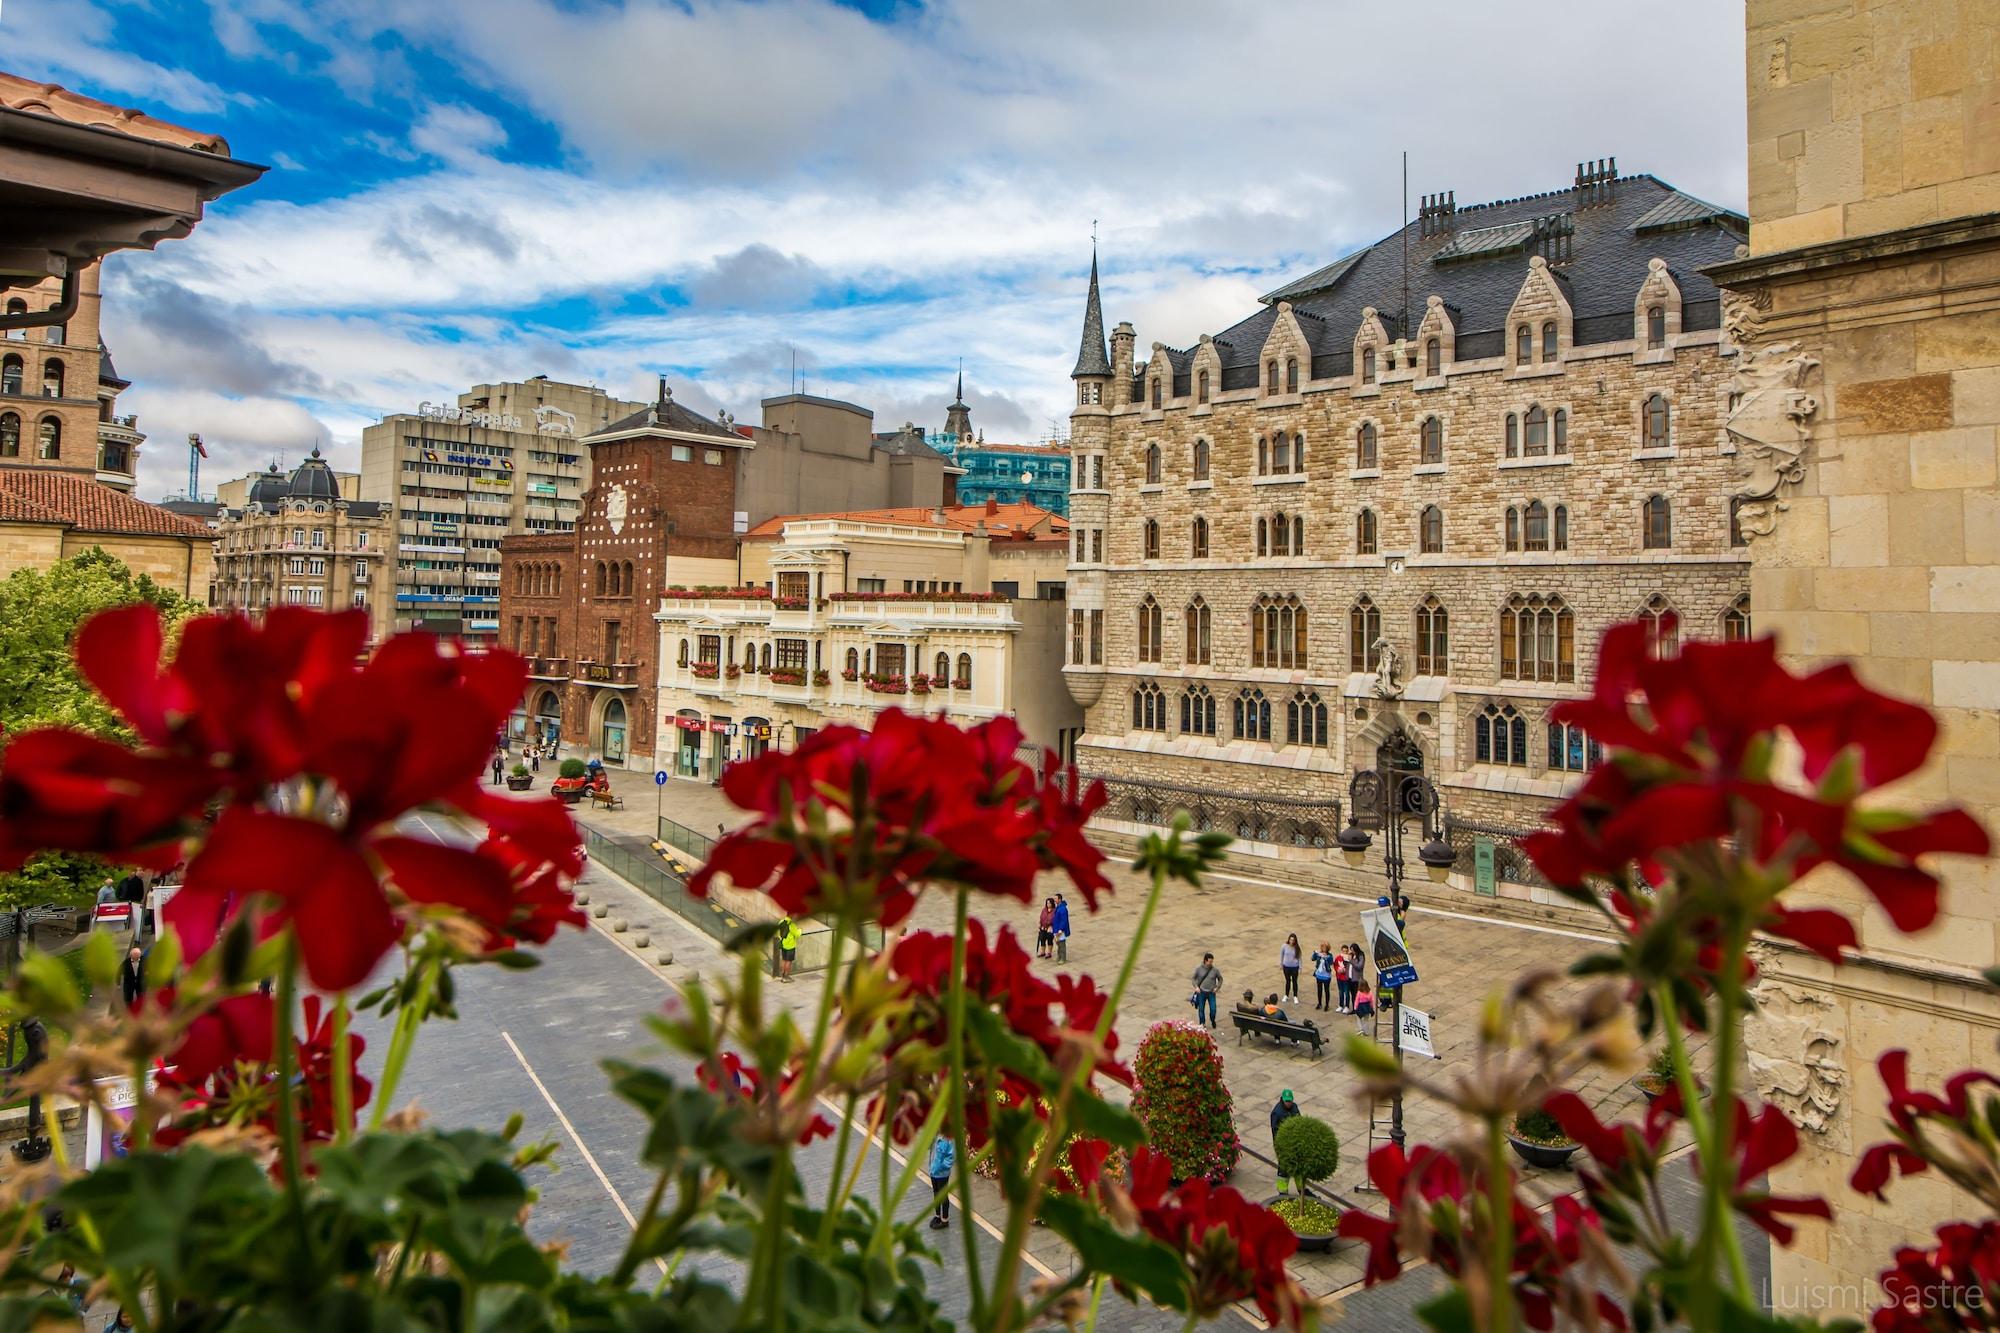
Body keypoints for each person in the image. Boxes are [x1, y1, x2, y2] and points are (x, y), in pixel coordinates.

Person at [927, 1134, 956, 1230]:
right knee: (936, 1193)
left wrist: (941, 1167)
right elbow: (929, 1148)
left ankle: (945, 1220)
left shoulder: (949, 1138)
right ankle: (937, 1215)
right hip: (933, 1170)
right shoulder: (935, 1135)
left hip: (942, 1173)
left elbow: (951, 1157)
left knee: (943, 1195)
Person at [1190, 952, 1222, 1028]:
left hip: (1211, 992)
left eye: (1212, 961)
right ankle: (1202, 1023)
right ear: (1205, 961)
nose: (1211, 963)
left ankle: (1212, 1019)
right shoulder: (1199, 969)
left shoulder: (1215, 970)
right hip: (1201, 992)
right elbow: (1193, 978)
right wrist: (1196, 987)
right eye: (1210, 961)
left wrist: (1217, 987)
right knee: (1201, 1009)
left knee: (1213, 1009)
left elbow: (1220, 979)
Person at [1310, 941, 1335, 1012]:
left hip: (1326, 975)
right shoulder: (1319, 954)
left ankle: (1327, 1004)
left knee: (1326, 990)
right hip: (1319, 975)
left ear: (1327, 948)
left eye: (1325, 947)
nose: (1324, 949)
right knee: (1319, 990)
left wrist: (1325, 957)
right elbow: (1312, 959)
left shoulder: (1330, 955)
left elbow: (1331, 962)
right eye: (1323, 947)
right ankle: (1319, 1003)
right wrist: (1315, 953)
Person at [776, 917, 800, 983]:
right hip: (790, 945)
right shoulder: (791, 925)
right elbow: (797, 934)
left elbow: (778, 932)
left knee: (784, 959)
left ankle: (782, 975)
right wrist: (800, 930)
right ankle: (786, 977)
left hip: (783, 944)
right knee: (788, 961)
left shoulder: (781, 921)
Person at [1279, 933, 1301, 1003]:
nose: (1291, 941)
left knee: (1295, 981)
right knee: (1287, 981)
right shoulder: (1284, 946)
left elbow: (1300, 958)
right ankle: (1286, 995)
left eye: (1293, 940)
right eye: (1290, 940)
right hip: (1286, 966)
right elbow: (1281, 955)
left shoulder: (1297, 948)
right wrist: (1281, 964)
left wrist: (1300, 967)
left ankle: (1295, 996)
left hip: (1294, 967)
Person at [1051, 893, 1070, 963]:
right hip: (1056, 928)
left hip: (1060, 930)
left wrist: (1060, 929)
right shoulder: (1058, 907)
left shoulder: (1063, 909)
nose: (1054, 900)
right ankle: (1059, 956)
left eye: (1056, 899)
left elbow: (1063, 920)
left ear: (1060, 899)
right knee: (1058, 943)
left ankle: (1063, 958)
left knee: (1062, 944)